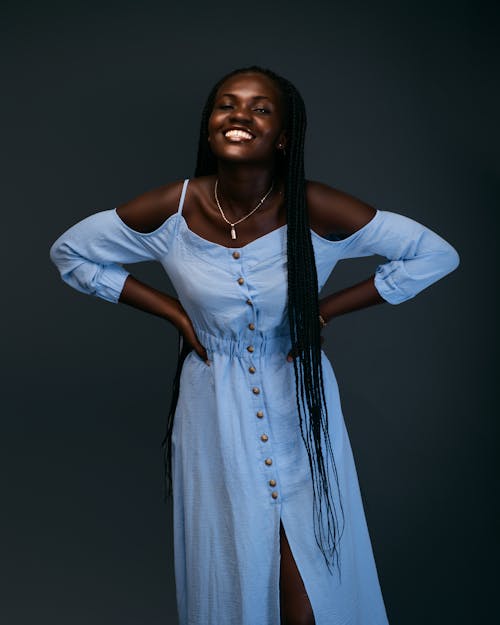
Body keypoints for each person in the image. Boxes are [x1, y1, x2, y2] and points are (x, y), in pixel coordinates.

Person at [49, 65, 460, 625]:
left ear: (284, 136)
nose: (239, 115)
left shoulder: (312, 206)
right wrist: (171, 310)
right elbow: (71, 252)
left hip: (300, 404)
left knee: (312, 588)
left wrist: (323, 312)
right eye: (227, 104)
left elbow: (434, 254)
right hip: (211, 410)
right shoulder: (175, 208)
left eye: (260, 108)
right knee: (234, 563)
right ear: (209, 124)